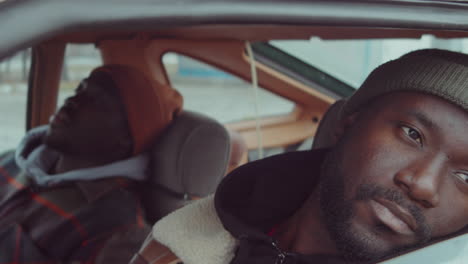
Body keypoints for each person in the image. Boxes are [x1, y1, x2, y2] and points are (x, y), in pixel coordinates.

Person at [131, 49, 468, 264]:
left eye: (467, 177)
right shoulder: (182, 237)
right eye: (412, 134)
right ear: (346, 125)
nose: (423, 184)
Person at [0, 64, 182, 263]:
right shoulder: (10, 161)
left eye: (96, 101)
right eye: (80, 90)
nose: (71, 100)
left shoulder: (115, 228)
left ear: (126, 139)